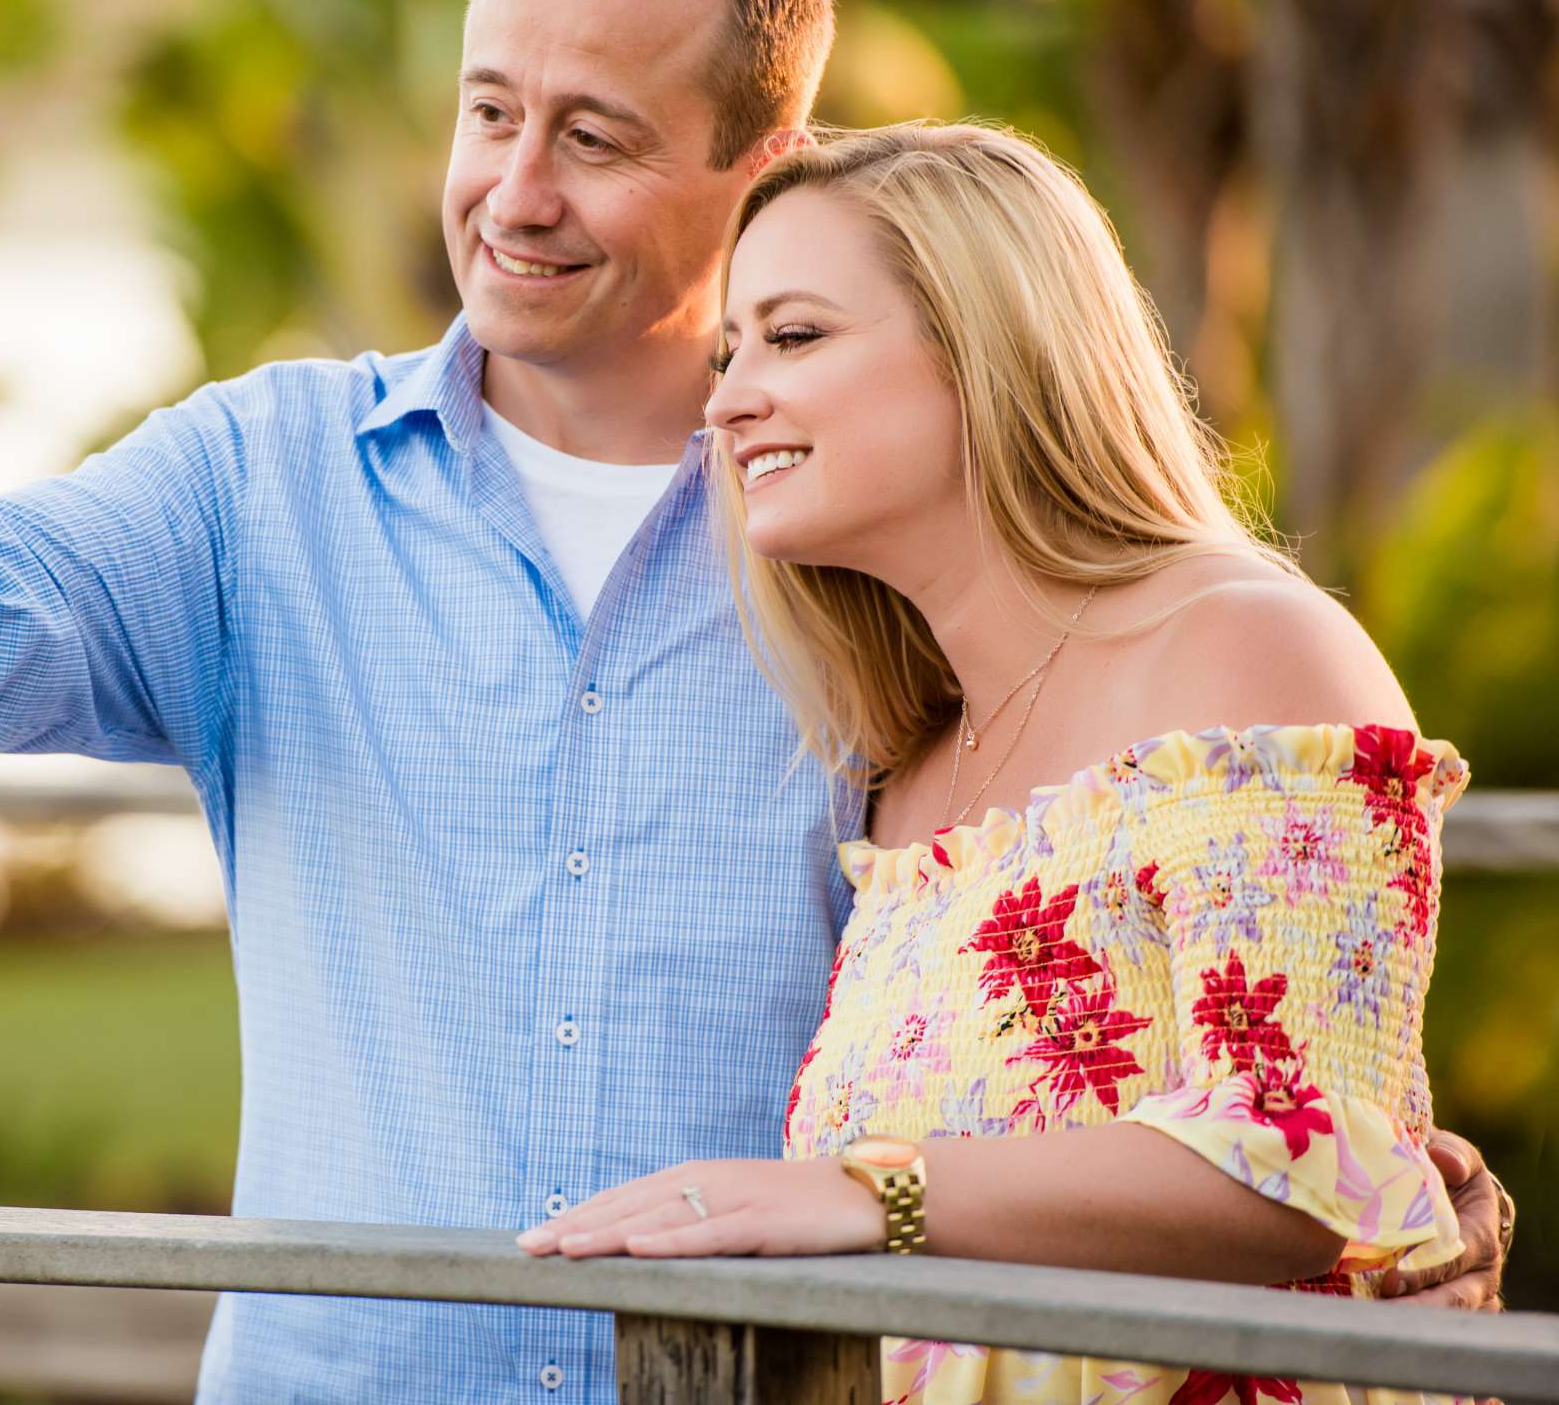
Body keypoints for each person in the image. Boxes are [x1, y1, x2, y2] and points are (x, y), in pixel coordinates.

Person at [0, 0, 1511, 1402]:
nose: (515, 185)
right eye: (490, 110)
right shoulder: (269, 482)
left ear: (763, 159)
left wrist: (1350, 1183)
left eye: (594, 136)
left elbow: (1195, 1008)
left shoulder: (872, 563)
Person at [521, 121, 1508, 1401]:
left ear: (988, 345)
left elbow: (1317, 1153)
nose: (726, 398)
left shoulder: (1247, 651)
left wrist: (857, 1191)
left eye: (796, 335)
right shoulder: (905, 766)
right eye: (730, 350)